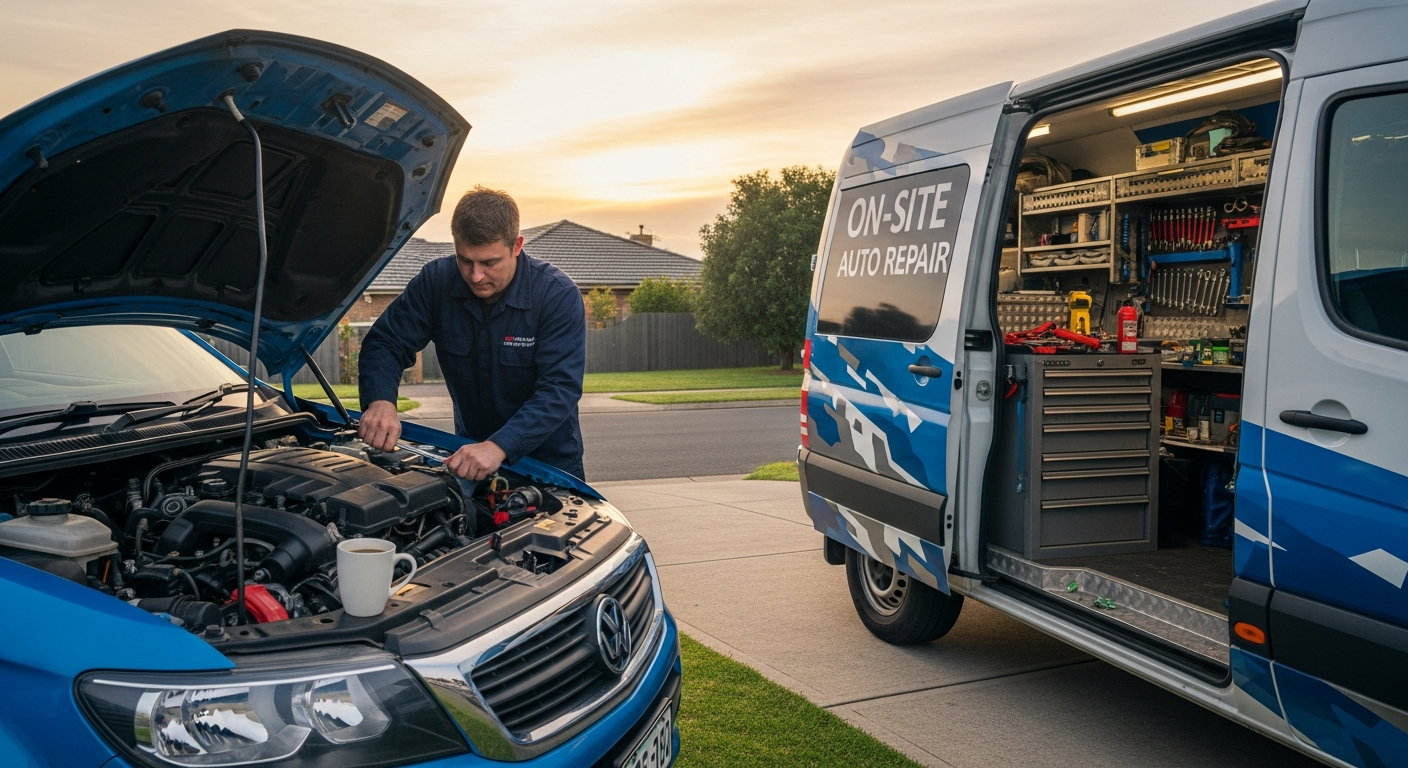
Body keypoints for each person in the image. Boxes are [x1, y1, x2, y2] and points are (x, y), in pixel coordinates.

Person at [357, 187, 587, 480]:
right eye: (465, 260)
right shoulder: (436, 283)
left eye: (490, 262)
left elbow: (559, 389)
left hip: (548, 466)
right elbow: (386, 342)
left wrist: (498, 446)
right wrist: (381, 402)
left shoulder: (556, 296)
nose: (476, 276)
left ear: (516, 246)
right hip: (469, 458)